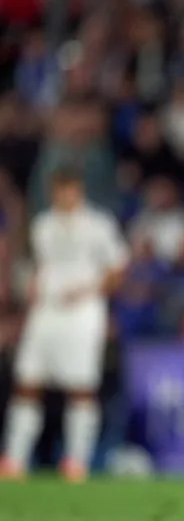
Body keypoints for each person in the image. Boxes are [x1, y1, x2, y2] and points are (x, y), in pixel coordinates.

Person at [0, 167, 128, 482]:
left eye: (69, 188)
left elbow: (117, 268)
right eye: (59, 189)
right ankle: (15, 459)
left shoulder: (98, 224)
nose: (64, 195)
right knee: (28, 383)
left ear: (79, 189)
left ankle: (77, 461)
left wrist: (89, 292)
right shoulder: (42, 225)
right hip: (46, 311)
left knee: (81, 387)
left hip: (83, 312)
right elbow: (37, 268)